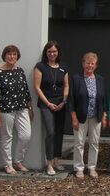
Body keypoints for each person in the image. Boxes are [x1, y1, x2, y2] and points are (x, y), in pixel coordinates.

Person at [0, 45, 34, 175]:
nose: (12, 57)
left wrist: (30, 108)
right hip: (5, 110)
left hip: (22, 109)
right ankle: (8, 164)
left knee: (25, 135)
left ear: (17, 56)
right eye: (9, 54)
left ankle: (18, 161)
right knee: (7, 137)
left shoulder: (20, 71)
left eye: (14, 54)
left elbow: (26, 91)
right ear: (4, 56)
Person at [69, 52, 108, 178]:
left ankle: (92, 167)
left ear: (96, 65)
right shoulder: (76, 78)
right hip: (80, 116)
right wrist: (73, 117)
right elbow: (71, 99)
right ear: (83, 63)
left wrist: (104, 115)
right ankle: (79, 168)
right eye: (87, 63)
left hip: (96, 116)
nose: (90, 65)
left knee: (94, 143)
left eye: (92, 63)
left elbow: (103, 99)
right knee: (79, 142)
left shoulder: (100, 79)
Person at [34, 41, 69, 176]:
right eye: (49, 52)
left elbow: (66, 86)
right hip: (46, 104)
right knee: (51, 132)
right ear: (46, 53)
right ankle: (49, 164)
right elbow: (37, 87)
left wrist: (64, 101)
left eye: (54, 51)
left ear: (58, 52)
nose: (52, 54)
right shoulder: (40, 66)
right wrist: (48, 103)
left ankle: (56, 160)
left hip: (61, 103)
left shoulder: (64, 67)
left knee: (59, 132)